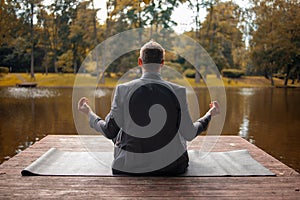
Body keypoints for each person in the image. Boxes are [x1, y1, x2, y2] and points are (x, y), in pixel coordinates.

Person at [78, 40, 220, 175]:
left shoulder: (123, 90)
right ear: (162, 63)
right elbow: (189, 133)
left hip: (129, 166)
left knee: (118, 129)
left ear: (140, 62)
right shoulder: (178, 91)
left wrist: (89, 113)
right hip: (172, 167)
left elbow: (110, 131)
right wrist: (209, 114)